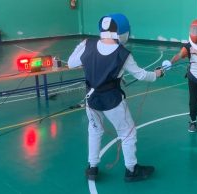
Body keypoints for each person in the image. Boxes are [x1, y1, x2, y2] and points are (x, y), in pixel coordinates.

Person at [67, 13, 163, 182]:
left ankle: (93, 168)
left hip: (92, 100)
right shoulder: (122, 53)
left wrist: (81, 46)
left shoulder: (88, 45)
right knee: (127, 133)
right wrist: (157, 74)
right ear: (122, 31)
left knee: (94, 131)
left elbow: (71, 62)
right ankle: (131, 170)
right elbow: (141, 75)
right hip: (113, 102)